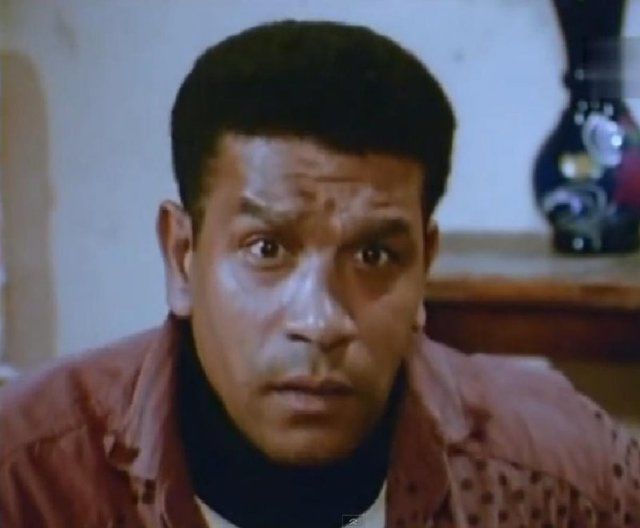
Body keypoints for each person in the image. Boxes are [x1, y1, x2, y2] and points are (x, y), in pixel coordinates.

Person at [0, 19, 638, 528]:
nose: (320, 320)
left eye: (374, 256)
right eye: (266, 249)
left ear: (424, 266)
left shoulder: (563, 473)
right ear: (181, 257)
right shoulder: (27, 477)